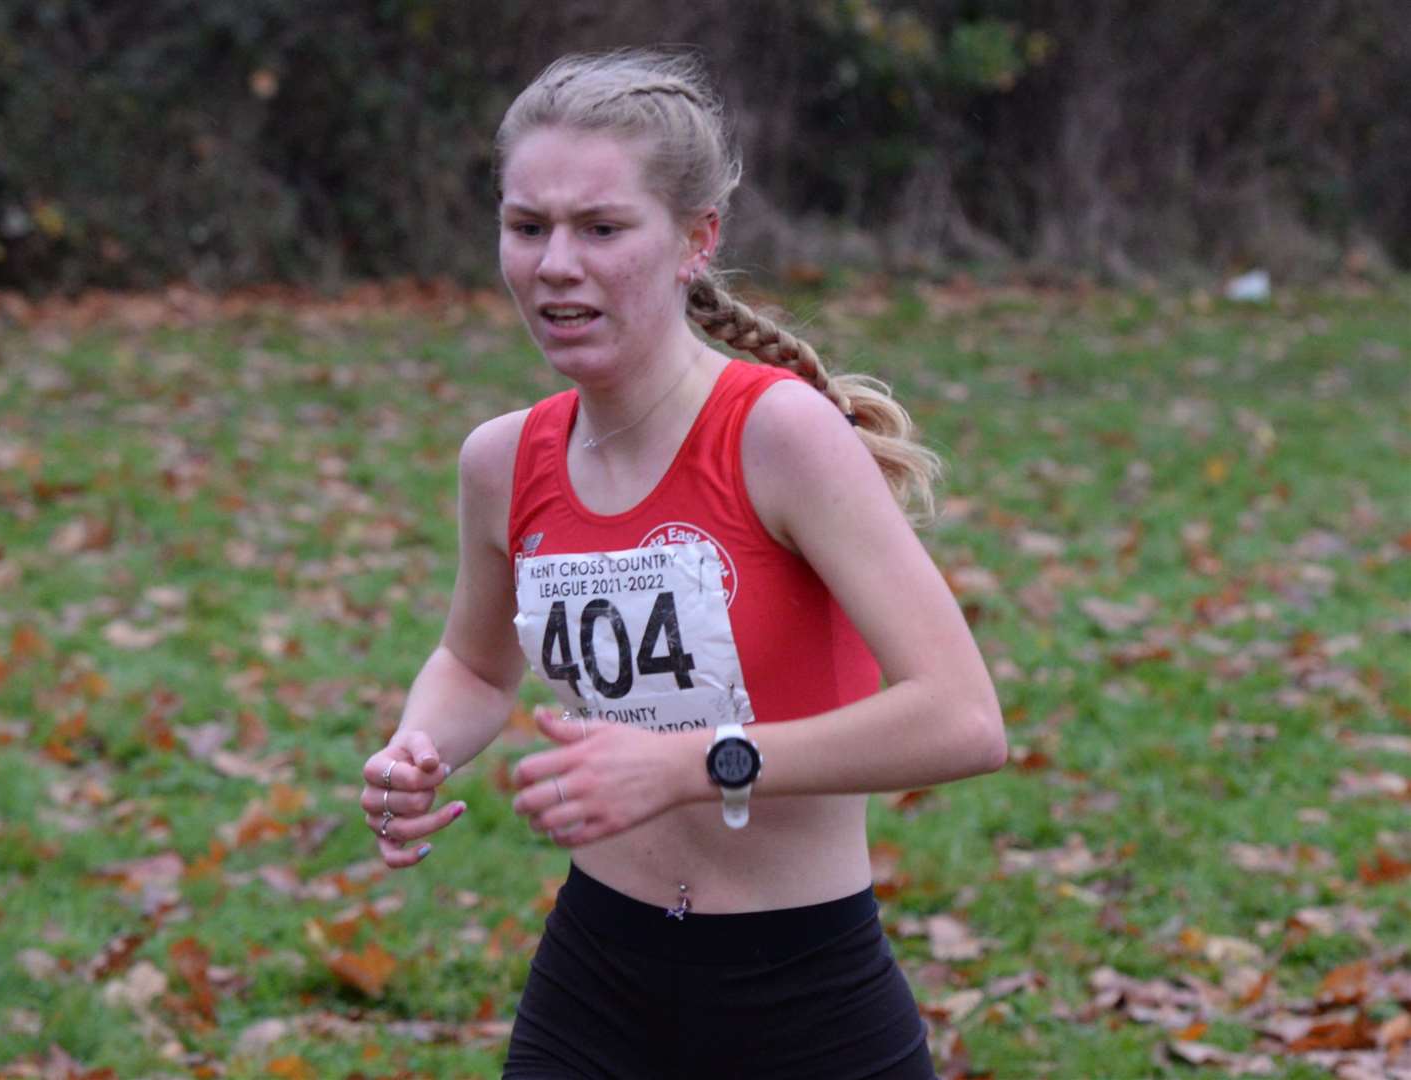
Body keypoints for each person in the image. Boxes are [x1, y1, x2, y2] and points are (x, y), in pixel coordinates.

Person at [358, 48, 1006, 1080]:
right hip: (593, 984)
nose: (554, 264)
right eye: (526, 227)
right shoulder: (502, 460)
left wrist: (694, 763)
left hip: (802, 997)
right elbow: (476, 666)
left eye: (601, 228)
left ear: (694, 240)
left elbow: (963, 719)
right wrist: (415, 746)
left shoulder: (777, 436)